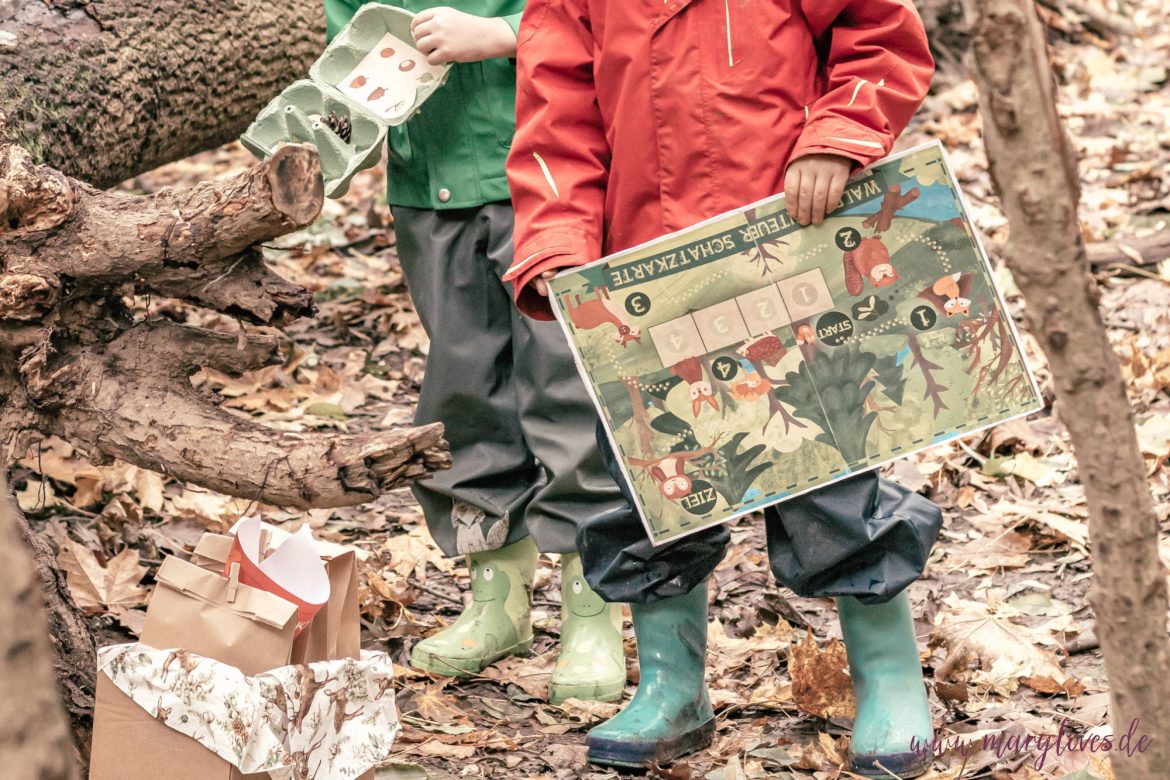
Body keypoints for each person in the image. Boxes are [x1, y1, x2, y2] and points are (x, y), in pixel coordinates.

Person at [502, 0, 943, 775]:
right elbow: (556, 114)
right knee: (655, 493)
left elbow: (880, 35)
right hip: (645, 279)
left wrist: (838, 139)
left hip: (790, 253)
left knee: (832, 476)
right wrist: (564, 246)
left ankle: (889, 675)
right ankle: (673, 686)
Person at [323, 0, 628, 705]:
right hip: (432, 187)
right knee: (464, 389)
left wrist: (503, 35)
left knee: (569, 386)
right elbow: (352, 45)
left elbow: (614, 23)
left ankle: (594, 603)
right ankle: (496, 593)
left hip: (552, 179)